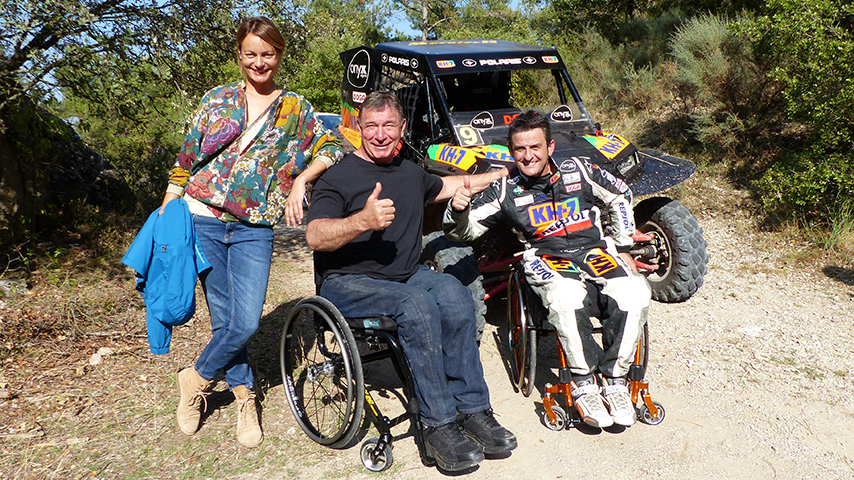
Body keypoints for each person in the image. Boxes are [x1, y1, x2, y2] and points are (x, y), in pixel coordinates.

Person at [305, 91, 516, 472]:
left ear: (402, 128)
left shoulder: (408, 171)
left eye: (389, 125)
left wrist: (504, 172)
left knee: (454, 294)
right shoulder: (337, 177)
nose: (380, 134)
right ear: (359, 129)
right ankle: (438, 425)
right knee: (414, 306)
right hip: (347, 282)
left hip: (402, 275)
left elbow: (452, 186)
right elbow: (316, 236)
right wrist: (362, 221)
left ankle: (472, 409)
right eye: (372, 126)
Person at [159, 16, 344, 448]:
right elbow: (187, 158)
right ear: (239, 56)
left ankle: (196, 378)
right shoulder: (218, 100)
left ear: (278, 56)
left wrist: (303, 179)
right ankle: (245, 398)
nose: (259, 63)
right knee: (225, 318)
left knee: (244, 320)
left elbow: (332, 146)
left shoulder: (296, 108)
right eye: (251, 54)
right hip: (202, 217)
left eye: (268, 54)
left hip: (255, 225)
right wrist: (168, 206)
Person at [444, 110, 650, 429]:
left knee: (634, 291)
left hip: (594, 250)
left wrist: (622, 244)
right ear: (511, 152)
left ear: (550, 147)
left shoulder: (580, 169)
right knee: (566, 295)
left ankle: (614, 380)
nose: (528, 156)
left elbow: (620, 193)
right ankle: (583, 384)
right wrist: (456, 211)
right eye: (520, 150)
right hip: (546, 256)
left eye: (535, 147)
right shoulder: (505, 188)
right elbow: (466, 231)